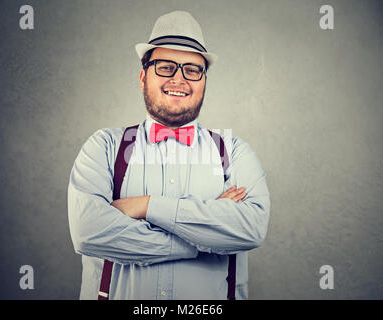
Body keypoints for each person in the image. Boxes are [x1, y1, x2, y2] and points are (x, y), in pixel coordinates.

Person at [67, 10, 270, 300]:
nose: (179, 79)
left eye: (192, 69)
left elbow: (251, 228)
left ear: (203, 81)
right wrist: (202, 237)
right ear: (142, 76)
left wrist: (145, 206)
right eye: (165, 67)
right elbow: (88, 231)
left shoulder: (234, 152)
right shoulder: (105, 146)